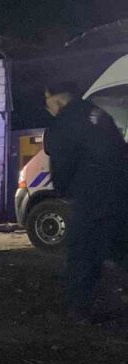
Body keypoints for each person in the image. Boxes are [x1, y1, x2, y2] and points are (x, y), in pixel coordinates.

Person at [44, 81, 128, 323]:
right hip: (120, 194)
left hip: (92, 197)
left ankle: (78, 310)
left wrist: (64, 191)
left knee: (83, 252)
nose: (46, 107)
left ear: (55, 97)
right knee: (120, 247)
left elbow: (61, 165)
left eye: (47, 101)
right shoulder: (98, 114)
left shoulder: (65, 122)